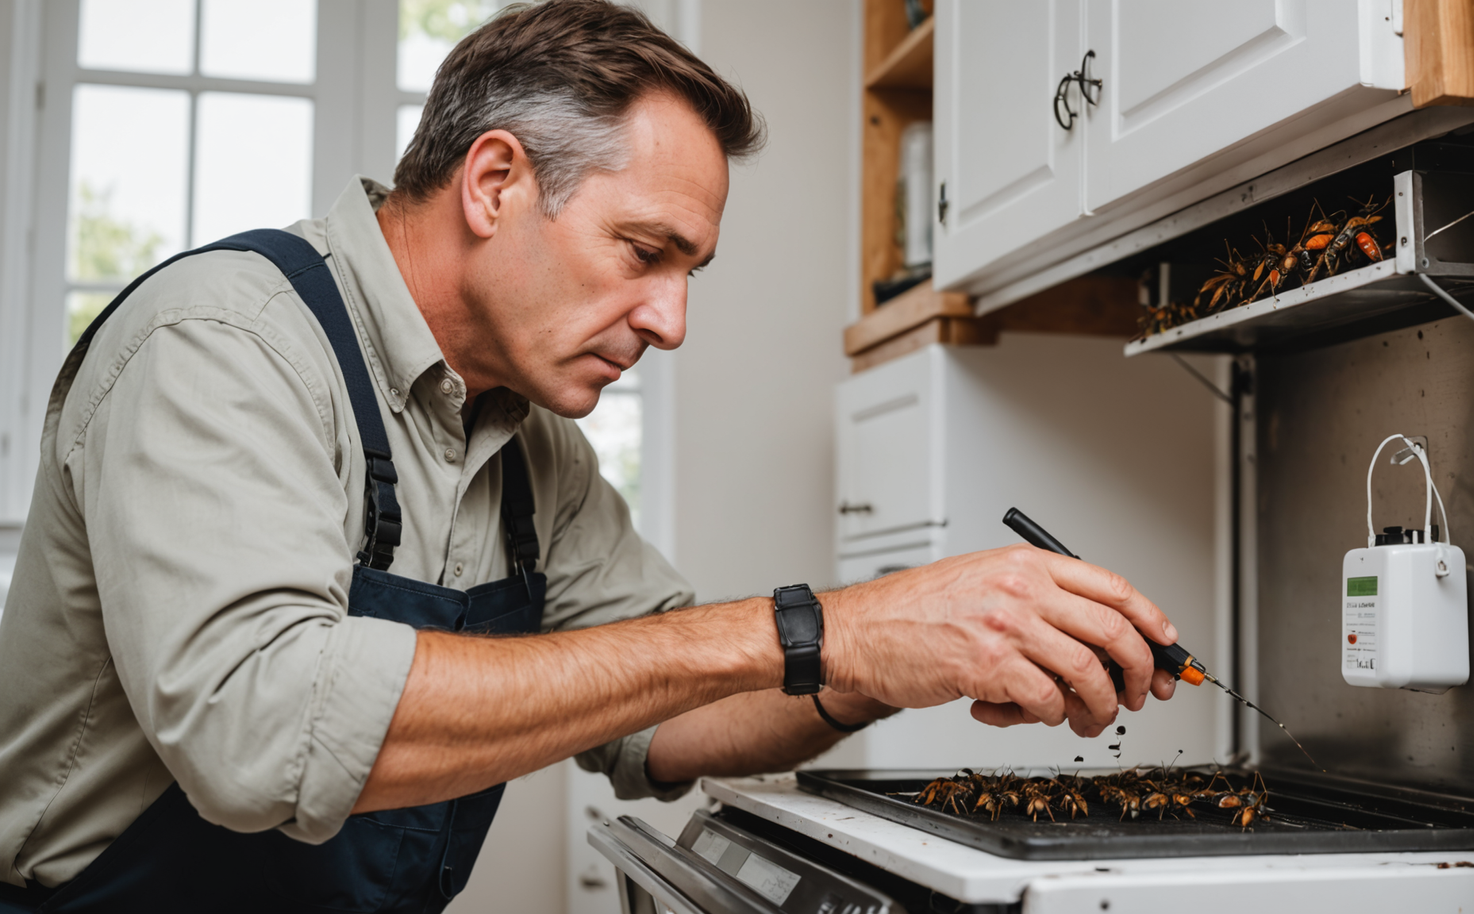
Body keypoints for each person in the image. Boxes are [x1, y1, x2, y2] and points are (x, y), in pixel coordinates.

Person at [0, 2, 1179, 910]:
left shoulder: (531, 445)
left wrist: (895, 660)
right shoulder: (224, 342)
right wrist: (831, 623)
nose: (671, 321)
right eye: (644, 251)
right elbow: (262, 734)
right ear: (497, 181)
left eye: (689, 273)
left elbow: (670, 722)